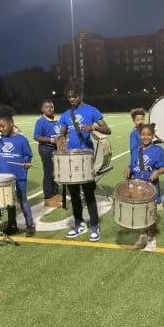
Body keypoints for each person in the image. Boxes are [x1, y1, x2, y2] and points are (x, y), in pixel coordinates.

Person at [56, 78, 111, 242]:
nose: (72, 99)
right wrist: (60, 142)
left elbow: (108, 129)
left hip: (86, 157)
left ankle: (94, 226)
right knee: (73, 194)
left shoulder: (91, 110)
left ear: (80, 95)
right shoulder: (66, 115)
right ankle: (79, 224)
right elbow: (61, 134)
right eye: (69, 97)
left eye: (74, 96)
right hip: (71, 158)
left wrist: (93, 127)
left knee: (88, 194)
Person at [0, 106, 36, 237]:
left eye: (3, 126)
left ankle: (30, 225)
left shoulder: (21, 139)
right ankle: (12, 225)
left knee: (22, 200)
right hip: (5, 178)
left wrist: (26, 163)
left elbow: (28, 154)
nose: (1, 129)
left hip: (19, 176)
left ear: (11, 123)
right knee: (9, 202)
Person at [124, 123, 164, 251]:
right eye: (143, 134)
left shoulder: (158, 150)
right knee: (138, 213)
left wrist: (157, 172)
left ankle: (151, 238)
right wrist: (128, 169)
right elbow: (133, 166)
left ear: (153, 136)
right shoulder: (136, 151)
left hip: (151, 187)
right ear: (139, 136)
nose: (146, 137)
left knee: (150, 214)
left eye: (149, 134)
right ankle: (142, 235)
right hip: (137, 187)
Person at [33, 99, 62, 208]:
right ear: (42, 109)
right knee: (49, 173)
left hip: (57, 149)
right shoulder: (41, 121)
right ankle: (48, 197)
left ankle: (55, 193)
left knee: (56, 172)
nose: (50, 109)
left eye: (52, 107)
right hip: (46, 149)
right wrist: (52, 140)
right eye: (47, 107)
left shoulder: (57, 120)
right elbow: (37, 137)